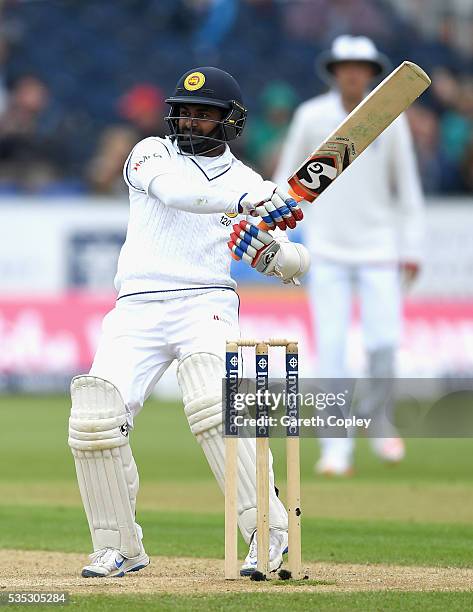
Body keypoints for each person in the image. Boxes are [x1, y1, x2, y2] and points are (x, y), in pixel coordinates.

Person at [68, 66, 309, 578]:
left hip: (206, 303)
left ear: (230, 121)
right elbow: (177, 194)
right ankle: (120, 547)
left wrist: (276, 257)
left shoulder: (248, 181)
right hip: (136, 305)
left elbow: (292, 263)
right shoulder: (150, 153)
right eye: (184, 110)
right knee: (94, 418)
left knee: (212, 401)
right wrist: (248, 202)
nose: (190, 120)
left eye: (204, 114)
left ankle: (268, 535)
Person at [274, 36, 425, 476]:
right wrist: (282, 240)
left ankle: (378, 419)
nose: (354, 73)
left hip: (379, 248)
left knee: (382, 345)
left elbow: (408, 190)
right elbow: (288, 182)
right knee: (333, 350)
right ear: (335, 71)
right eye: (346, 66)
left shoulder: (389, 119)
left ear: (372, 73)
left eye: (361, 66)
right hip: (327, 252)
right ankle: (335, 448)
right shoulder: (311, 116)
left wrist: (411, 247)